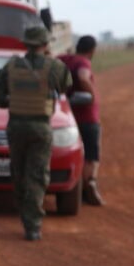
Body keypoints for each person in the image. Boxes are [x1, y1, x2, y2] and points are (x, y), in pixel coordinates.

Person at [0, 26, 72, 241]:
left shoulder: (11, 66)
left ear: (25, 43)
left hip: (16, 126)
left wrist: (15, 99)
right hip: (40, 127)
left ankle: (24, 211)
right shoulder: (54, 67)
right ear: (45, 44)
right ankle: (33, 225)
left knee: (19, 172)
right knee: (36, 174)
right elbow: (65, 87)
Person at [58, 35, 104, 206]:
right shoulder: (83, 63)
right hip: (87, 116)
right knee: (91, 155)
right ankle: (89, 184)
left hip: (67, 116)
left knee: (72, 151)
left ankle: (73, 185)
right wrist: (93, 94)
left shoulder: (62, 59)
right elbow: (83, 77)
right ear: (92, 50)